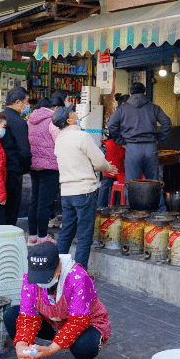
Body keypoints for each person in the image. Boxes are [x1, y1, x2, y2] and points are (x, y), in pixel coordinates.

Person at [4, 241, 111, 359]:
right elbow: (28, 316)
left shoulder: (78, 278)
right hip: (53, 322)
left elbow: (78, 322)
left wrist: (50, 349)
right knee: (12, 316)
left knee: (84, 345)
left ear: (59, 266)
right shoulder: (30, 279)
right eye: (38, 276)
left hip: (85, 325)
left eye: (47, 275)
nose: (42, 282)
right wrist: (21, 345)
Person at [52, 106, 115, 272]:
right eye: (72, 112)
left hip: (66, 192)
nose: (75, 113)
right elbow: (100, 162)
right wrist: (108, 168)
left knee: (66, 231)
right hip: (84, 191)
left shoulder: (60, 139)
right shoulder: (82, 136)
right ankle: (79, 275)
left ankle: (57, 270)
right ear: (68, 120)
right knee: (84, 235)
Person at [105, 82, 171, 210]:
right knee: (153, 182)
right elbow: (166, 123)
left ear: (130, 94)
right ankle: (159, 213)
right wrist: (158, 138)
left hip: (132, 148)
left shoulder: (122, 109)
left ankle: (133, 213)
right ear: (145, 93)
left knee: (132, 183)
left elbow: (111, 124)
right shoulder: (153, 107)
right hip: (150, 148)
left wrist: (121, 141)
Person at [27, 97, 59, 245]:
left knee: (35, 201)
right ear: (53, 108)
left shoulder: (30, 121)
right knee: (45, 204)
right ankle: (43, 236)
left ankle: (32, 235)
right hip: (49, 166)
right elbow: (59, 141)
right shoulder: (51, 121)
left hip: (34, 165)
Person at [1, 87, 32, 228]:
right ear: (18, 102)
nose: (28, 105)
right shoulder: (19, 122)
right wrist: (25, 168)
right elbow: (24, 151)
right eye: (27, 101)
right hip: (13, 171)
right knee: (11, 212)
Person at [97, 94, 127, 209]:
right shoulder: (120, 115)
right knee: (109, 179)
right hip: (114, 149)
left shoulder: (118, 113)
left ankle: (103, 207)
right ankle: (102, 207)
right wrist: (122, 142)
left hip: (113, 148)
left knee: (109, 180)